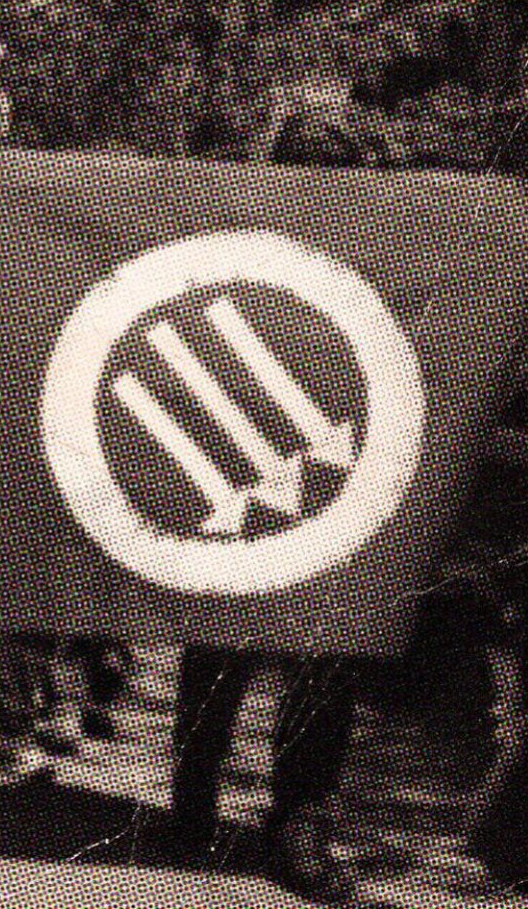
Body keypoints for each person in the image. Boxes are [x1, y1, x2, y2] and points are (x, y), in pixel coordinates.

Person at [162, 104, 380, 906]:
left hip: (336, 476)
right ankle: (199, 805)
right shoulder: (236, 229)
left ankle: (297, 821)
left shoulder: (389, 245)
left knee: (322, 658)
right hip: (238, 463)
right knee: (218, 645)